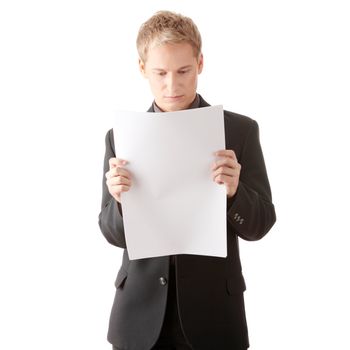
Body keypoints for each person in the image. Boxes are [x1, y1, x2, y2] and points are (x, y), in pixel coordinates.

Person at [98, 10, 276, 350]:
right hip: (138, 318)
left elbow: (260, 225)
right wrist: (120, 201)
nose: (172, 85)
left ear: (201, 63)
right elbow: (110, 233)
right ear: (141, 69)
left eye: (184, 71)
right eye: (160, 73)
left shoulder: (239, 131)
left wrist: (235, 193)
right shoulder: (120, 137)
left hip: (214, 317)